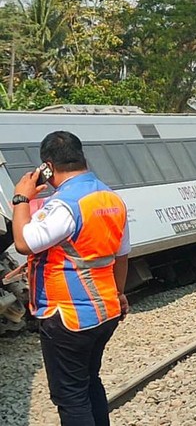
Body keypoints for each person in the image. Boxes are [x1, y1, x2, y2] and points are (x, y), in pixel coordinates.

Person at [11, 131, 130, 426]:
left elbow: (25, 243)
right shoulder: (111, 198)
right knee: (90, 384)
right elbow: (122, 255)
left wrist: (21, 199)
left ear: (48, 166)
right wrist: (120, 293)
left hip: (67, 316)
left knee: (71, 397)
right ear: (81, 157)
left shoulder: (64, 205)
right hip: (106, 310)